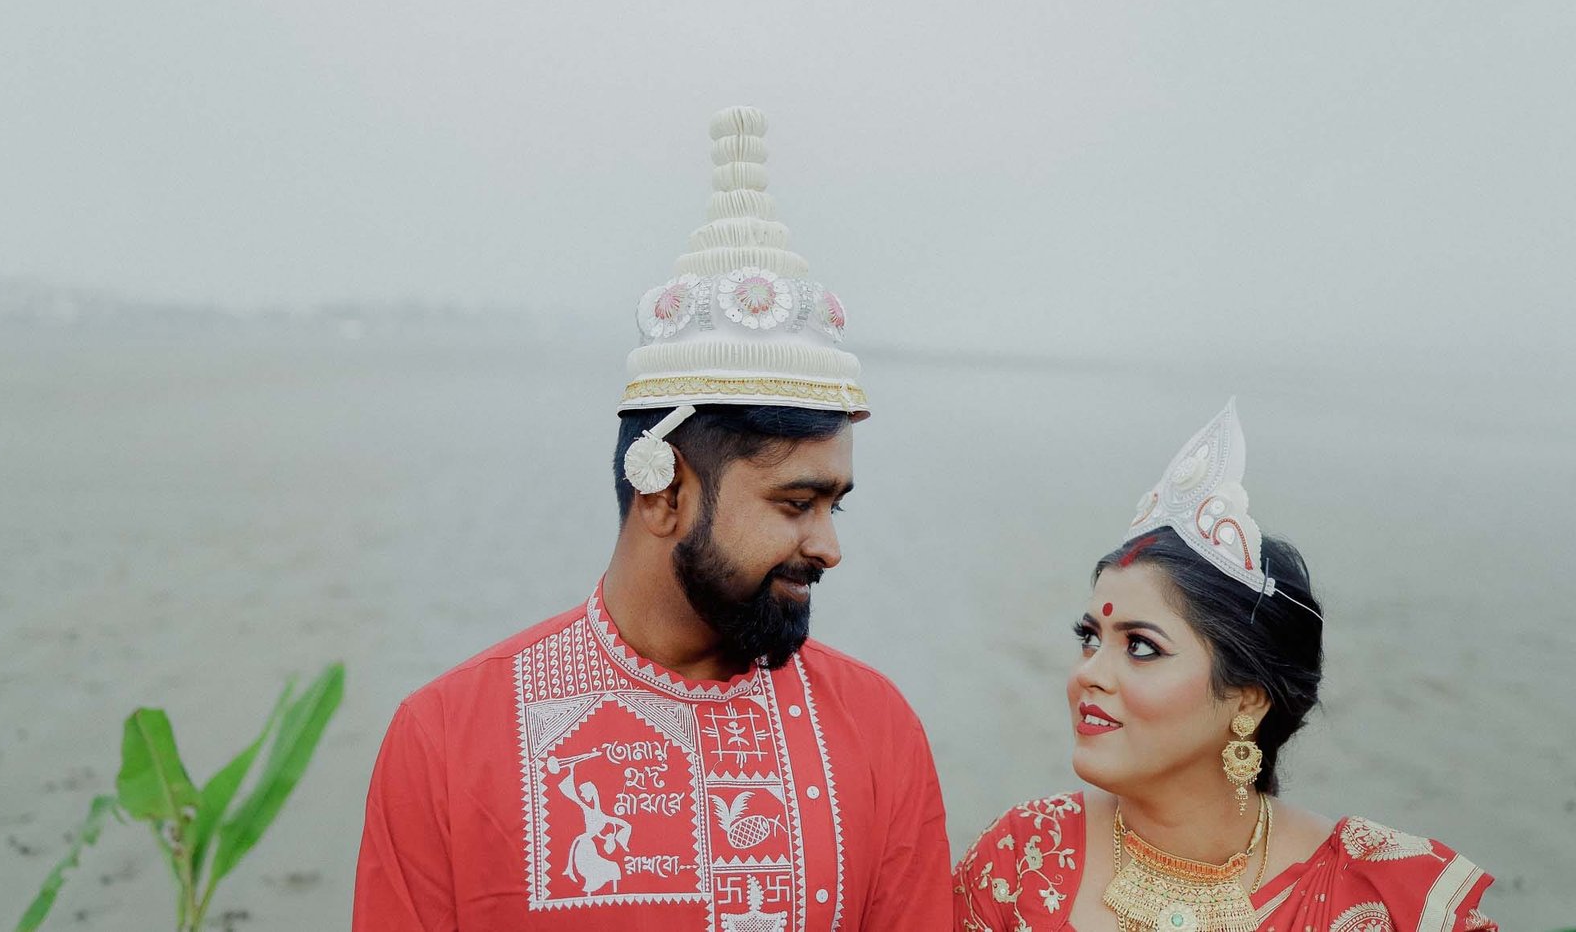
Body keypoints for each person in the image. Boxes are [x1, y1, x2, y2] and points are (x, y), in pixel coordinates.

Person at [354, 106, 951, 931]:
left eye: (834, 505)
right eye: (795, 504)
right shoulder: (448, 739)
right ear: (662, 492)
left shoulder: (878, 730)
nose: (828, 546)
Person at [954, 400, 1496, 932]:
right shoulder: (1021, 861)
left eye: (1140, 647)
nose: (1088, 674)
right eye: (1090, 639)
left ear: (1248, 697)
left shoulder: (1381, 898)